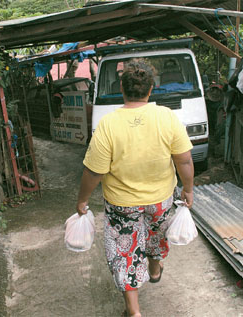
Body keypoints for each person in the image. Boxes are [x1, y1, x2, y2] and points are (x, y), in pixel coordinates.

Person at [76, 60, 194, 317]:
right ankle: (154, 270)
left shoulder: (108, 124)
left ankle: (134, 311)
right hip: (160, 199)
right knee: (155, 235)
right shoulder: (167, 117)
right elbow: (184, 159)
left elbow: (94, 171)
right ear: (152, 88)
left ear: (121, 88)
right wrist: (188, 190)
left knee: (124, 251)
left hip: (122, 205)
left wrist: (82, 200)